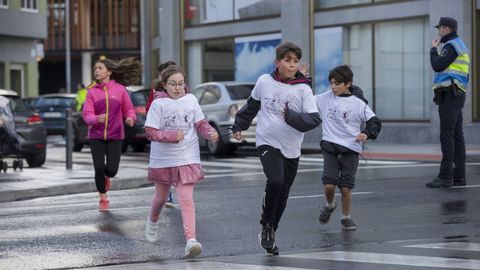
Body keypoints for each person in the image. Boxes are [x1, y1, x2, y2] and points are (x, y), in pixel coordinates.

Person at [231, 42, 321, 255]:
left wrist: (291, 117)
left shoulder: (303, 88)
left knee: (283, 194)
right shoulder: (264, 82)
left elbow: (314, 119)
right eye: (287, 60)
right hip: (267, 141)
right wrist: (239, 126)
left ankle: (271, 229)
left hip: (292, 147)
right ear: (277, 62)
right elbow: (252, 105)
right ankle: (266, 225)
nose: (292, 65)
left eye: (295, 61)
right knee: (276, 181)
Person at [144, 65, 219, 259]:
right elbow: (150, 132)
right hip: (163, 159)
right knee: (160, 198)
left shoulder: (191, 100)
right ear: (164, 85)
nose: (177, 88)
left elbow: (200, 124)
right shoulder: (158, 104)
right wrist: (171, 135)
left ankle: (191, 241)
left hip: (187, 157)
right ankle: (152, 221)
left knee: (186, 200)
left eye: (180, 84)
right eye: (172, 84)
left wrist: (210, 132)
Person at [315, 65, 381, 231]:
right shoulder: (325, 98)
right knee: (329, 185)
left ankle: (346, 218)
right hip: (330, 145)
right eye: (331, 83)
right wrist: (302, 77)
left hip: (350, 148)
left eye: (337, 83)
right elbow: (306, 99)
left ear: (348, 83)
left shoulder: (358, 104)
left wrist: (366, 133)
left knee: (346, 187)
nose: (333, 87)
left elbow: (375, 122)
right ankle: (330, 205)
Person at [82, 57, 142, 211]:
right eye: (95, 68)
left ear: (109, 71)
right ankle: (103, 198)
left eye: (100, 68)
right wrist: (96, 119)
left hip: (115, 134)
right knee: (99, 168)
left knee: (112, 170)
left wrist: (130, 118)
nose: (96, 71)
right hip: (96, 136)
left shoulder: (120, 89)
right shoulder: (91, 92)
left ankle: (107, 177)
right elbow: (86, 115)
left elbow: (128, 109)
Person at [426, 17, 469, 188]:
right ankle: (459, 177)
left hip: (451, 95)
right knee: (457, 136)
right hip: (457, 94)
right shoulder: (459, 46)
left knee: (447, 135)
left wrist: (433, 49)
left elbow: (437, 65)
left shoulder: (451, 46)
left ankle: (446, 177)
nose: (438, 32)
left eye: (440, 29)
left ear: (447, 29)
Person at [146, 61, 178, 208]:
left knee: (175, 164)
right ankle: (167, 195)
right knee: (163, 165)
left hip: (176, 133)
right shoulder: (155, 90)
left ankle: (170, 193)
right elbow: (149, 109)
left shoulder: (182, 87)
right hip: (160, 134)